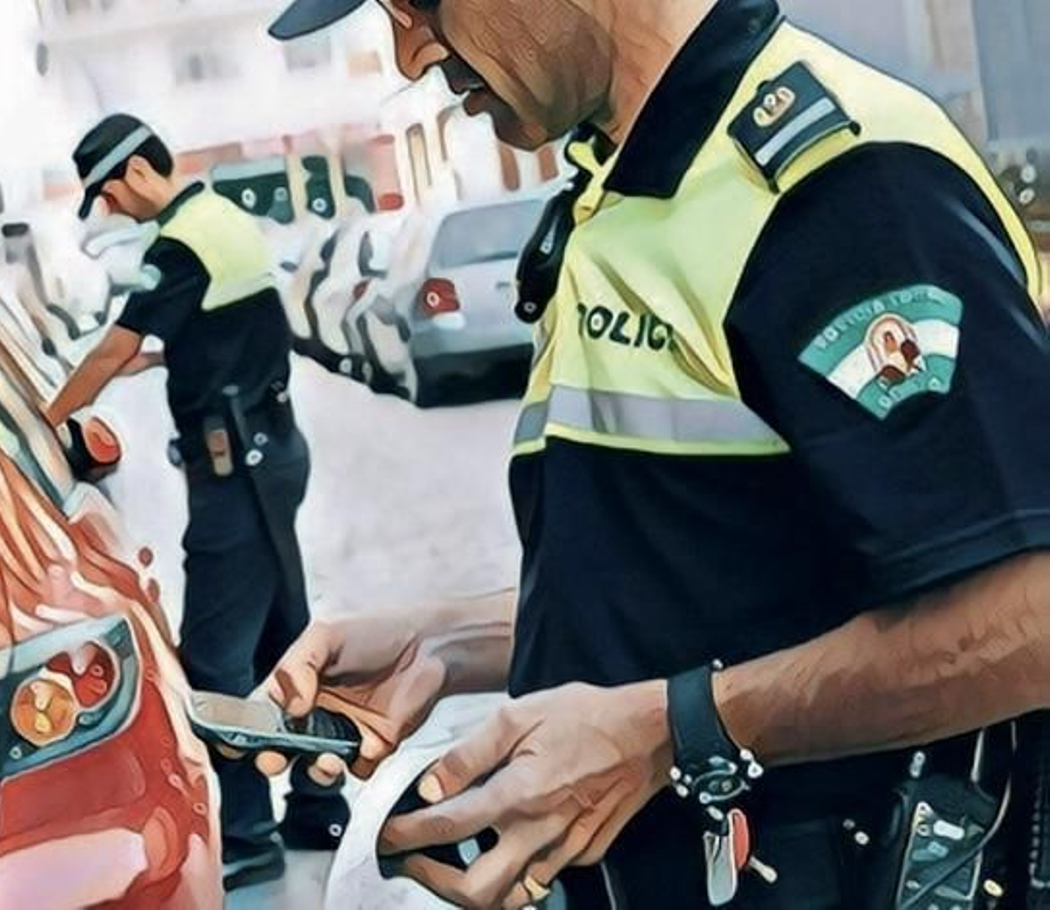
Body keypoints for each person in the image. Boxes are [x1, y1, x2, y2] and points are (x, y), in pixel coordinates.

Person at [252, 0, 1050, 907]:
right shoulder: (620, 183)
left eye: (419, 2)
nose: (408, 55)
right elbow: (712, 581)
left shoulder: (842, 182)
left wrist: (678, 732)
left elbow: (1027, 620)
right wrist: (443, 646)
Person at [43, 114, 349, 891]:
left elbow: (110, 349)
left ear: (137, 172)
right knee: (284, 637)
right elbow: (226, 327)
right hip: (271, 450)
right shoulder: (221, 219)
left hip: (236, 472)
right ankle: (319, 804)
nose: (110, 210)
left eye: (108, 193)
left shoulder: (177, 247)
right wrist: (165, 357)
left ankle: (248, 836)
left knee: (214, 661)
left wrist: (46, 421)